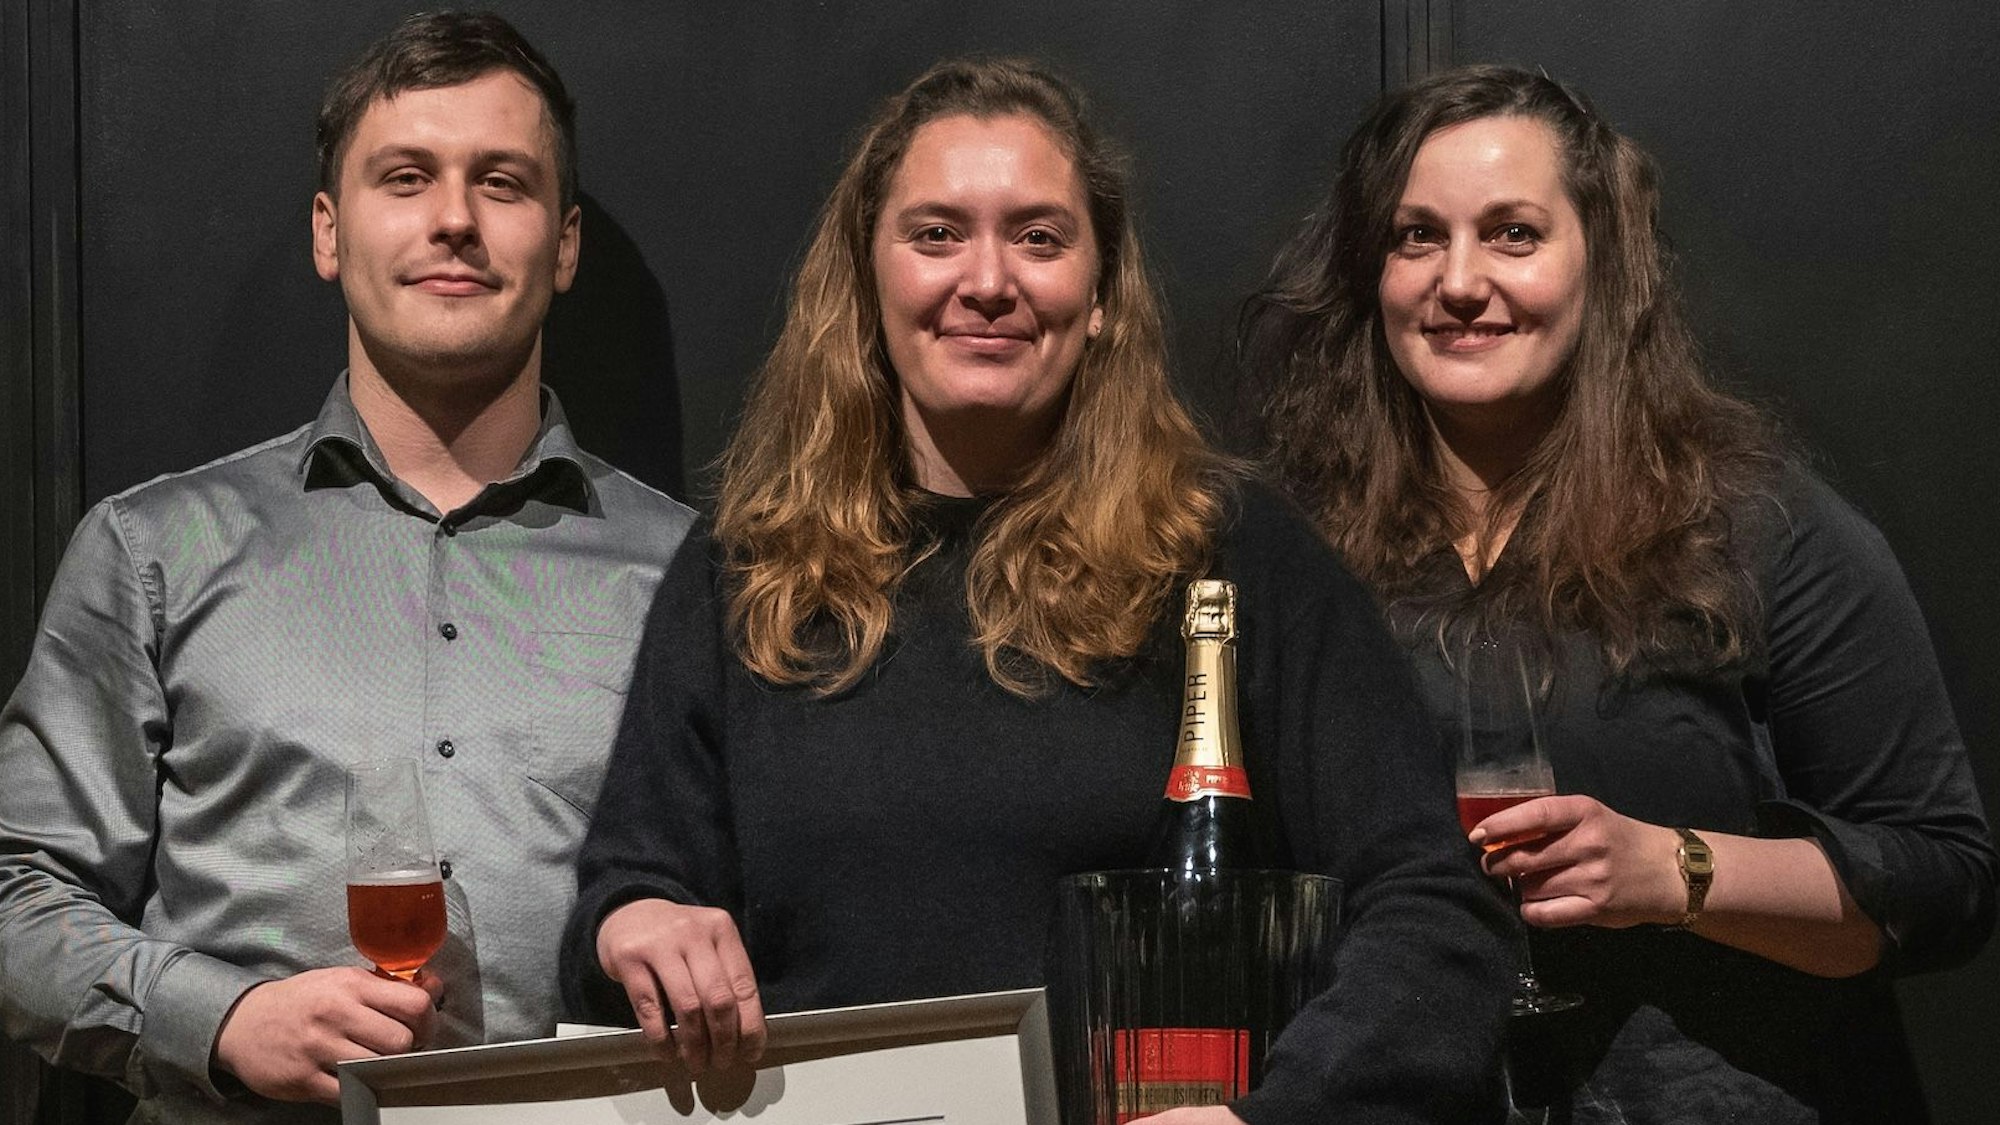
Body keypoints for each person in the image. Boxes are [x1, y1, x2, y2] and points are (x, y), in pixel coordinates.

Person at [560, 57, 1514, 1124]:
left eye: (1038, 237)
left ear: (1101, 295)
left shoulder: (1225, 556)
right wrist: (633, 921)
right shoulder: (744, 568)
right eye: (934, 234)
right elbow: (620, 910)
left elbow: (1435, 912)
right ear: (863, 280)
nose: (987, 280)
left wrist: (1274, 1116)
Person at [1240, 64, 1996, 1122]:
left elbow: (1940, 879)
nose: (1457, 281)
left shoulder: (1756, 525)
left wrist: (1668, 870)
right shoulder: (1287, 549)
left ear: (1601, 261)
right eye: (1416, 237)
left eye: (1512, 234)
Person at [0, 11, 693, 1122]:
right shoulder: (154, 553)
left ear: (564, 246)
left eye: (502, 182)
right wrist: (216, 1020)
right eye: (406, 177)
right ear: (331, 233)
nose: (454, 220)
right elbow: (14, 896)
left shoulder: (691, 578)